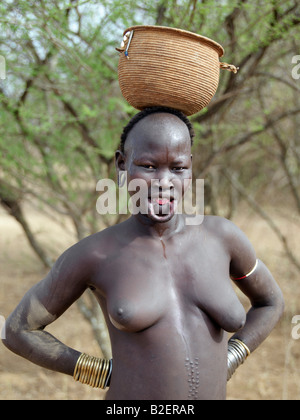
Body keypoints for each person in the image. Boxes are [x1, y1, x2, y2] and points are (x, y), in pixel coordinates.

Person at [2, 107, 284, 400]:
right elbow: (18, 330)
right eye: (149, 166)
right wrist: (100, 372)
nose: (164, 181)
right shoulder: (95, 254)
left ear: (191, 167)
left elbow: (270, 302)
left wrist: (233, 355)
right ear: (122, 167)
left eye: (177, 168)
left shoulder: (222, 238)